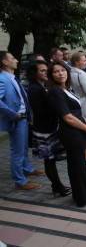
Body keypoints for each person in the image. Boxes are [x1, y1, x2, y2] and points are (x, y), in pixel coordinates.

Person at [47, 62, 86, 207]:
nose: (61, 73)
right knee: (78, 166)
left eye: (63, 70)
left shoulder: (64, 89)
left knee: (76, 165)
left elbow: (74, 112)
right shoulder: (55, 91)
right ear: (51, 75)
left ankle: (80, 195)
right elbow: (67, 117)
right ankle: (83, 198)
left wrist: (85, 123)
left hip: (75, 131)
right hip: (71, 133)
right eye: (56, 72)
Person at [0, 51, 44, 190]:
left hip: (23, 118)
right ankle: (20, 181)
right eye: (12, 58)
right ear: (4, 62)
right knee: (17, 151)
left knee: (24, 147)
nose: (16, 60)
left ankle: (27, 169)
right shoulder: (2, 78)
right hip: (16, 119)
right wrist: (13, 114)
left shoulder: (12, 77)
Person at [27, 60, 71, 196]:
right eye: (42, 71)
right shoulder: (35, 89)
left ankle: (57, 186)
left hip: (48, 128)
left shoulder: (42, 86)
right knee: (49, 160)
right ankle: (57, 187)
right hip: (43, 131)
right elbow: (41, 111)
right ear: (35, 73)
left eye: (46, 70)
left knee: (51, 160)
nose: (46, 73)